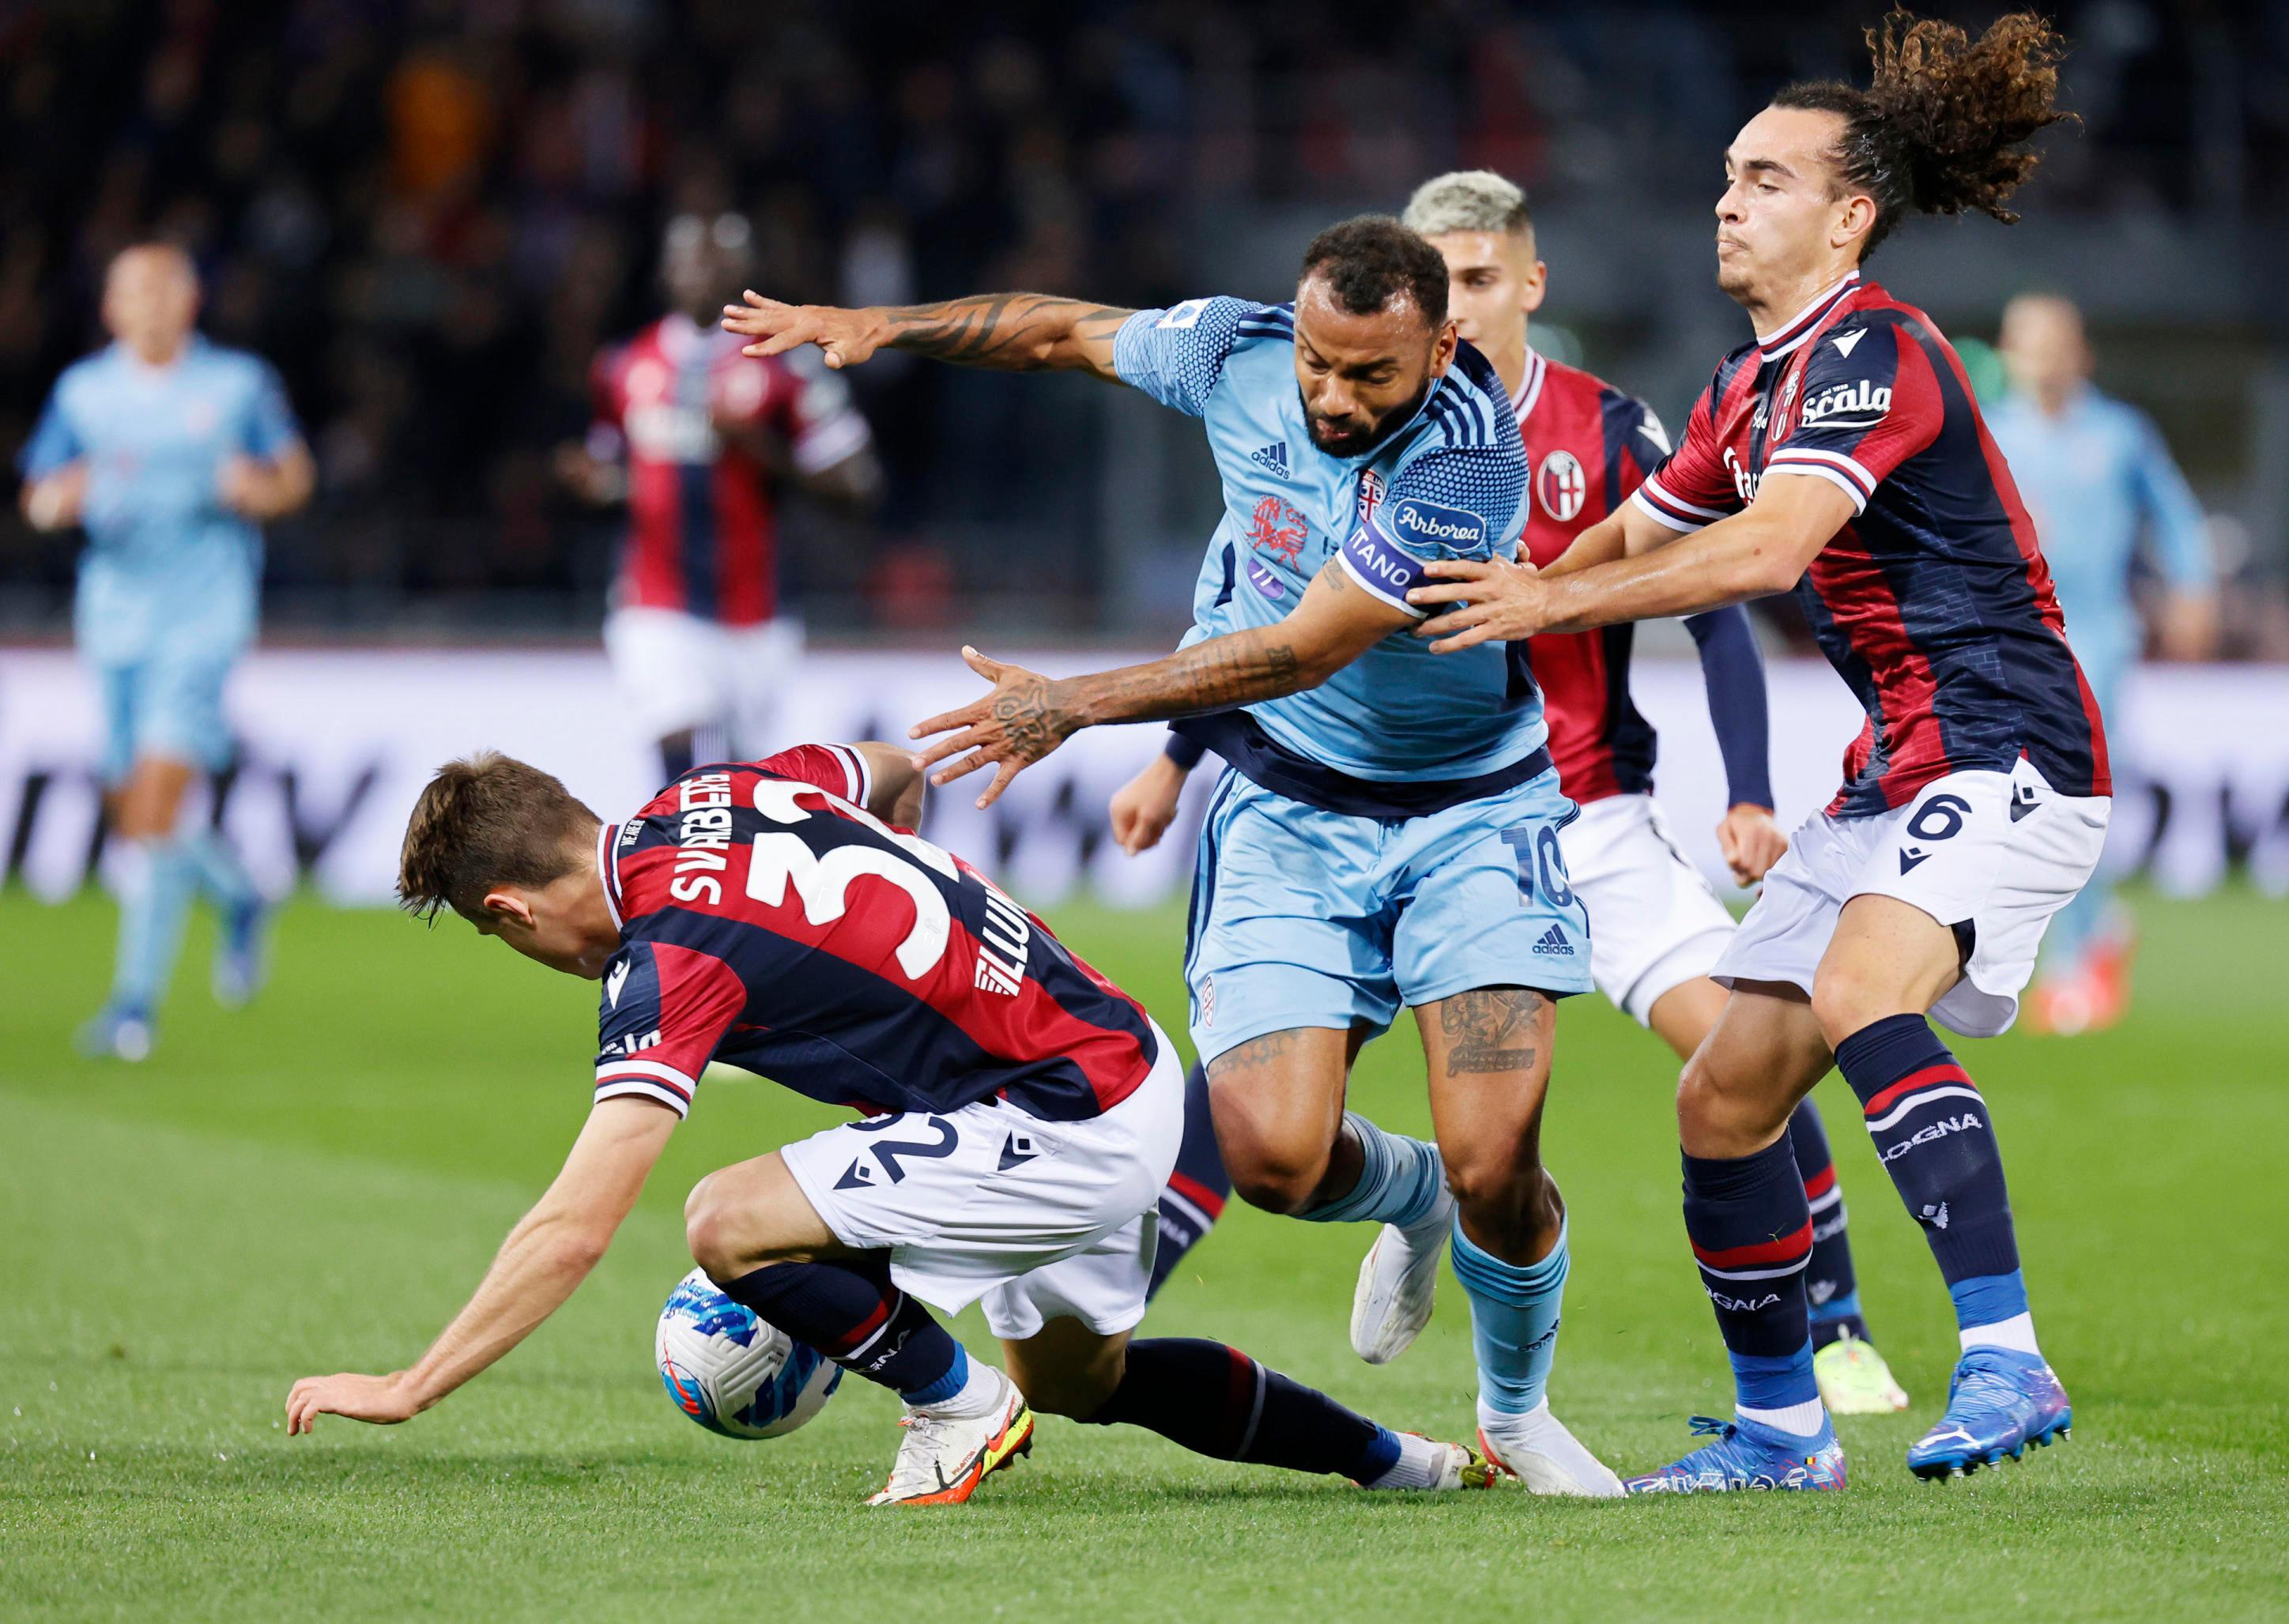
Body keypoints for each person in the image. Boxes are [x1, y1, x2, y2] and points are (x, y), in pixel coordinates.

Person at [723, 217, 1619, 1495]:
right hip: (1287, 815)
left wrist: (1079, 703)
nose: (1331, 395)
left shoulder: (1468, 460)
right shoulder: (1235, 349)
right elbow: (1059, 330)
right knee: (1270, 1158)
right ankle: (1413, 1200)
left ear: (1441, 346)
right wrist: (887, 327)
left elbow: (1304, 647)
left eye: (1369, 374)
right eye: (1318, 362)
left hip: (1467, 815)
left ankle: (1516, 1411)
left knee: (1498, 1160)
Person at [1408, 10, 2099, 1490]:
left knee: (1858, 993)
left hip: (2007, 745)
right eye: (1727, 172)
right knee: (1722, 1090)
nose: (1727, 197)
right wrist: (1494, 603)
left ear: (1849, 215)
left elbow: (1762, 552)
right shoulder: (1741, 385)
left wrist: (1553, 592)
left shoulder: (1877, 350)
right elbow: (1622, 537)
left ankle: (2005, 1356)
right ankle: (1786, 1429)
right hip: (1894, 769)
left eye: (1767, 179)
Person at [1107, 170, 1910, 1417]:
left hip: (1580, 815)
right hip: (1357, 809)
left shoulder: (1606, 428)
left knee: (1743, 1053)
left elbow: (1713, 608)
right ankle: (1132, 1279)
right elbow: (1269, 622)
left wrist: (1748, 791)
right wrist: (1175, 756)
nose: (1468, 304)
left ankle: (1840, 1324)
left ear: (1526, 284)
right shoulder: (1345, 424)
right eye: (1449, 282)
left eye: (1486, 278)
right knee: (1264, 1102)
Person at [283, 743, 1491, 1505]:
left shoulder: (666, 961)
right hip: (1117, 1059)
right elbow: (883, 765)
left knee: (729, 1220)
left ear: (508, 908)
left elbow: (577, 1225)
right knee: (1081, 1378)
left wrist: (411, 1382)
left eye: (501, 936)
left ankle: (951, 1408)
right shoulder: (721, 791)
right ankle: (1410, 1463)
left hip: (1059, 1113)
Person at [17, 243, 314, 1061]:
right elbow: (39, 489)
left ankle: (132, 1007)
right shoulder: (84, 392)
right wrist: (53, 503)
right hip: (114, 619)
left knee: (151, 812)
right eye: (131, 290)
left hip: (203, 619)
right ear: (110, 308)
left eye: (162, 287)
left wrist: (261, 489)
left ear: (189, 302)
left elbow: (295, 474)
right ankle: (239, 894)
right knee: (133, 814)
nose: (147, 303)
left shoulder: (235, 386)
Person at [559, 214, 881, 784]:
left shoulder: (788, 362)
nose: (702, 270)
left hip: (755, 609)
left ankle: (715, 867)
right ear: (666, 271)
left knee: (741, 777)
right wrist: (591, 480)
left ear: (743, 270)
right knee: (681, 742)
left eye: (718, 257)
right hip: (656, 600)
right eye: (688, 256)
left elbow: (859, 484)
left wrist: (760, 447)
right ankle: (679, 869)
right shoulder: (626, 364)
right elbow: (614, 467)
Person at [1989, 292, 2215, 1034]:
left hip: (2098, 636)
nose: (2043, 356)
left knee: (2072, 794)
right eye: (2029, 342)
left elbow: (2175, 513)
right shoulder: (1991, 433)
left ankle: (2074, 962)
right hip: (2013, 640)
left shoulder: (2120, 433)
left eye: (2055, 341)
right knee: (2020, 802)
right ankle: (2092, 930)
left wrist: (2192, 586)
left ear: (2080, 351)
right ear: (2009, 353)